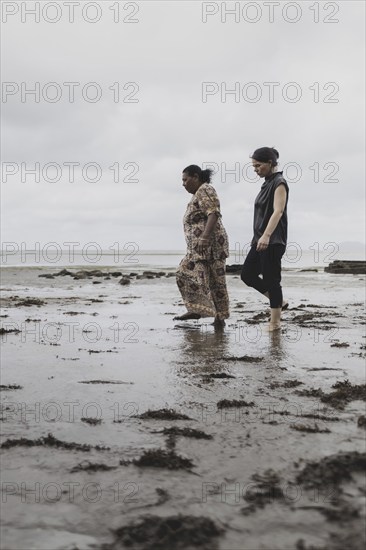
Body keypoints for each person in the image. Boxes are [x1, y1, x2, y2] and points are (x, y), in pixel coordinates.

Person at [174, 165, 229, 328]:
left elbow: (213, 213)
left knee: (216, 282)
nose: (183, 184)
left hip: (211, 247)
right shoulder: (198, 193)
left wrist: (204, 237)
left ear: (196, 177)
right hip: (198, 249)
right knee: (184, 272)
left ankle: (219, 319)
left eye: (185, 179)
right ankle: (196, 308)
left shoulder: (205, 189)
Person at [241, 147, 289, 331]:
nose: (255, 169)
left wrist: (267, 235)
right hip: (259, 239)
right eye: (253, 166)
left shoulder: (279, 182)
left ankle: (275, 322)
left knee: (271, 279)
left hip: (273, 239)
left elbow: (278, 211)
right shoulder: (266, 183)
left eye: (258, 165)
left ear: (270, 163)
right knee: (247, 274)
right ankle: (279, 301)